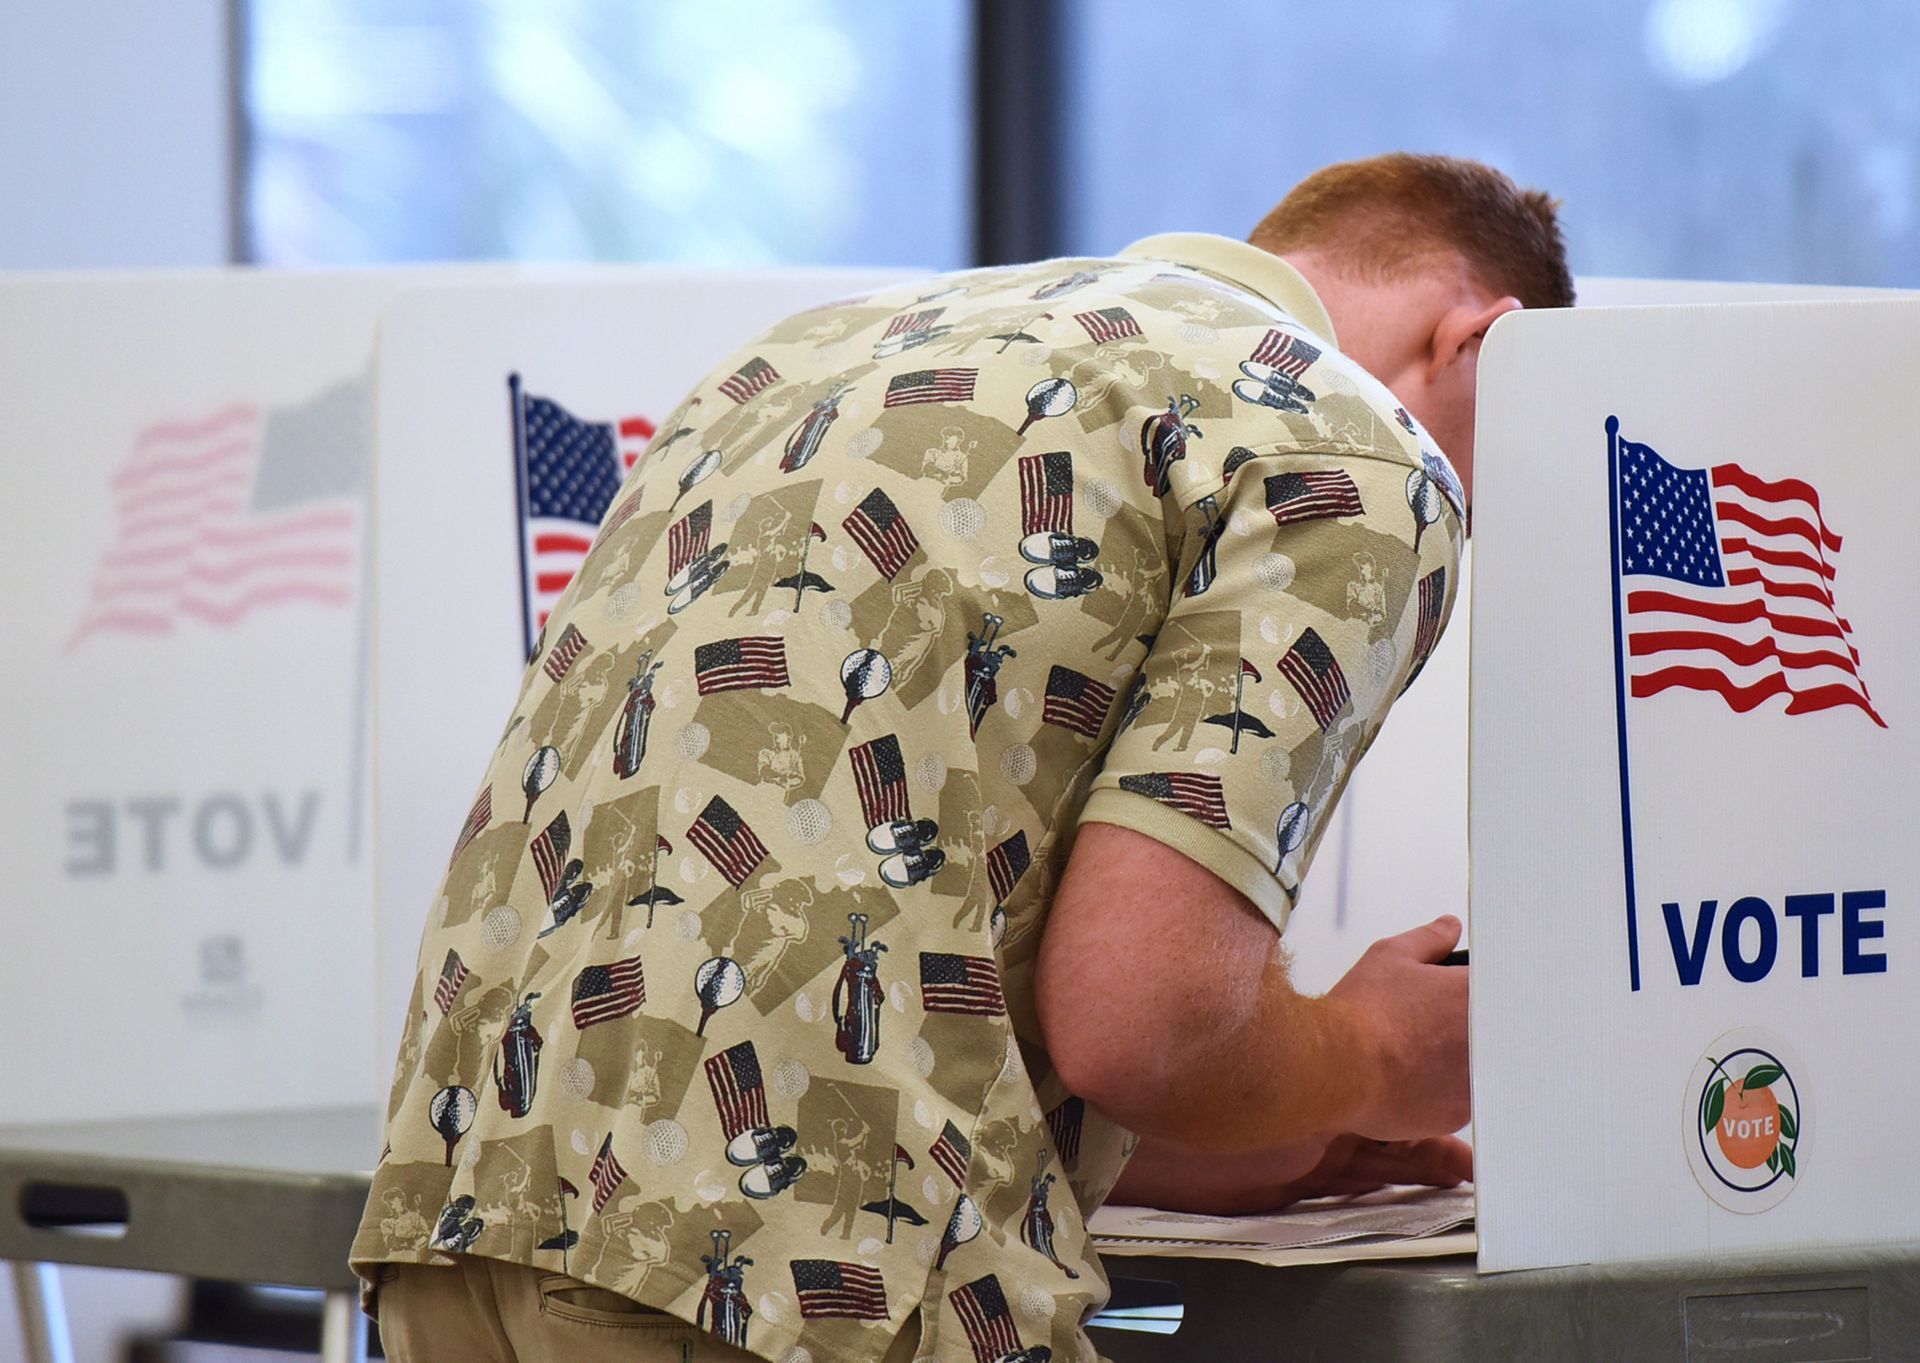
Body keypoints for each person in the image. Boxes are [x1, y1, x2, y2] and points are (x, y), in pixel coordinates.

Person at [358, 152, 1574, 1362]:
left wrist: (1206, 1135)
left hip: (458, 1230)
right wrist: (1372, 1057)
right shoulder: (1355, 446)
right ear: (1481, 341)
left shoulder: (801, 357)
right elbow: (1144, 1022)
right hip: (792, 1278)